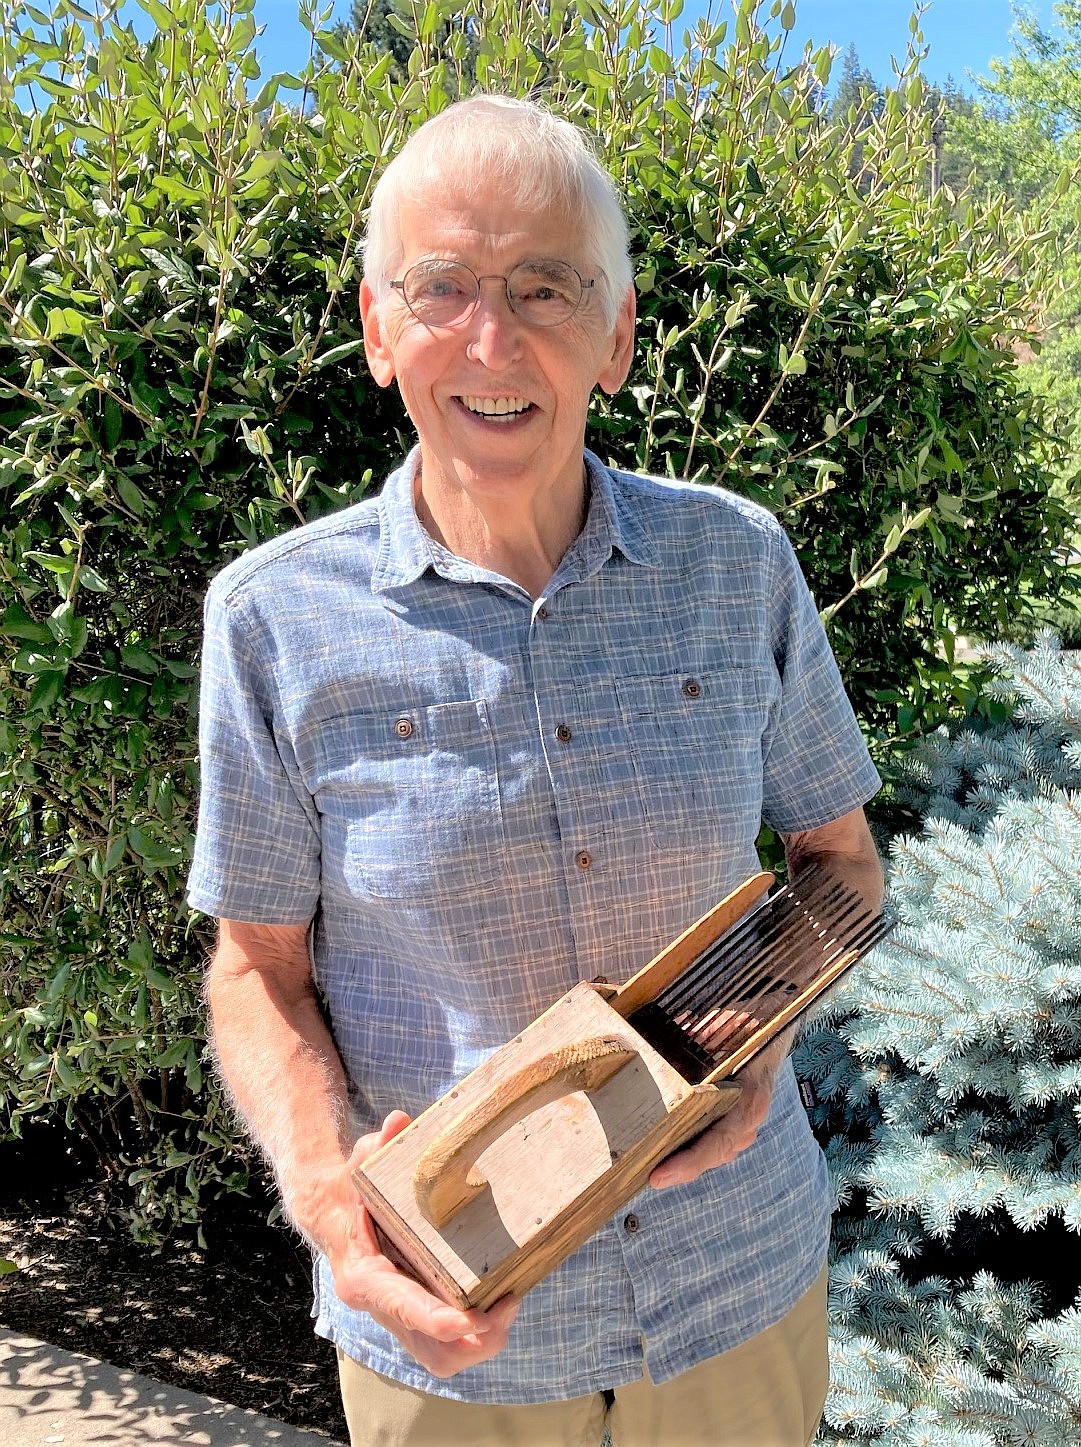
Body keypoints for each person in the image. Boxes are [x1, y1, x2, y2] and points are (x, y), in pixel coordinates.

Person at [189, 94, 884, 1447]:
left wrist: (760, 1040)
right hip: (453, 1344)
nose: (491, 338)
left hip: (733, 1288)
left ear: (616, 334)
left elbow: (836, 867)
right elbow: (253, 969)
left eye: (546, 287)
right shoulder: (271, 620)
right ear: (378, 330)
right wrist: (331, 1200)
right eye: (440, 286)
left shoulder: (736, 563)